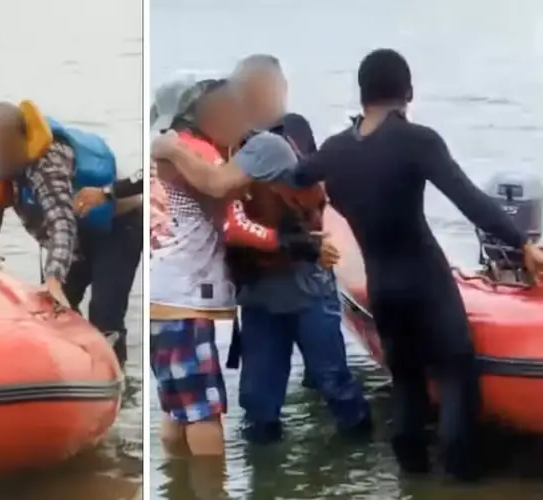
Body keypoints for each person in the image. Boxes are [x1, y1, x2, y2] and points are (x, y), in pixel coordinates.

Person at [153, 48, 543, 481]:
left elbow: (297, 182)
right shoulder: (418, 140)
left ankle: (412, 477)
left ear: (361, 96)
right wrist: (521, 243)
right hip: (425, 281)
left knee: (407, 382)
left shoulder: (335, 151)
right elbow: (469, 199)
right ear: (408, 93)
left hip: (382, 289)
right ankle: (459, 479)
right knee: (455, 373)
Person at [218, 55, 371, 443]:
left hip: (307, 285)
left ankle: (356, 459)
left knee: (333, 381)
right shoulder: (223, 145)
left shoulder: (293, 132)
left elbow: (321, 191)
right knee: (258, 402)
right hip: (259, 292)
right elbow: (225, 215)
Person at [0, 101, 141, 364]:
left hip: (118, 226)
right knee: (54, 310)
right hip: (73, 232)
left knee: (105, 312)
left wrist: (53, 278)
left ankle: (116, 380)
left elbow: (61, 222)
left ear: (18, 143)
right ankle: (69, 366)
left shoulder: (47, 163)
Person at [150, 79, 250, 457]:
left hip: (161, 296)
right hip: (185, 298)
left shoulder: (163, 151)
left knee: (176, 406)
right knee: (204, 411)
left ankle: (178, 485)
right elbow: (230, 188)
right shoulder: (193, 150)